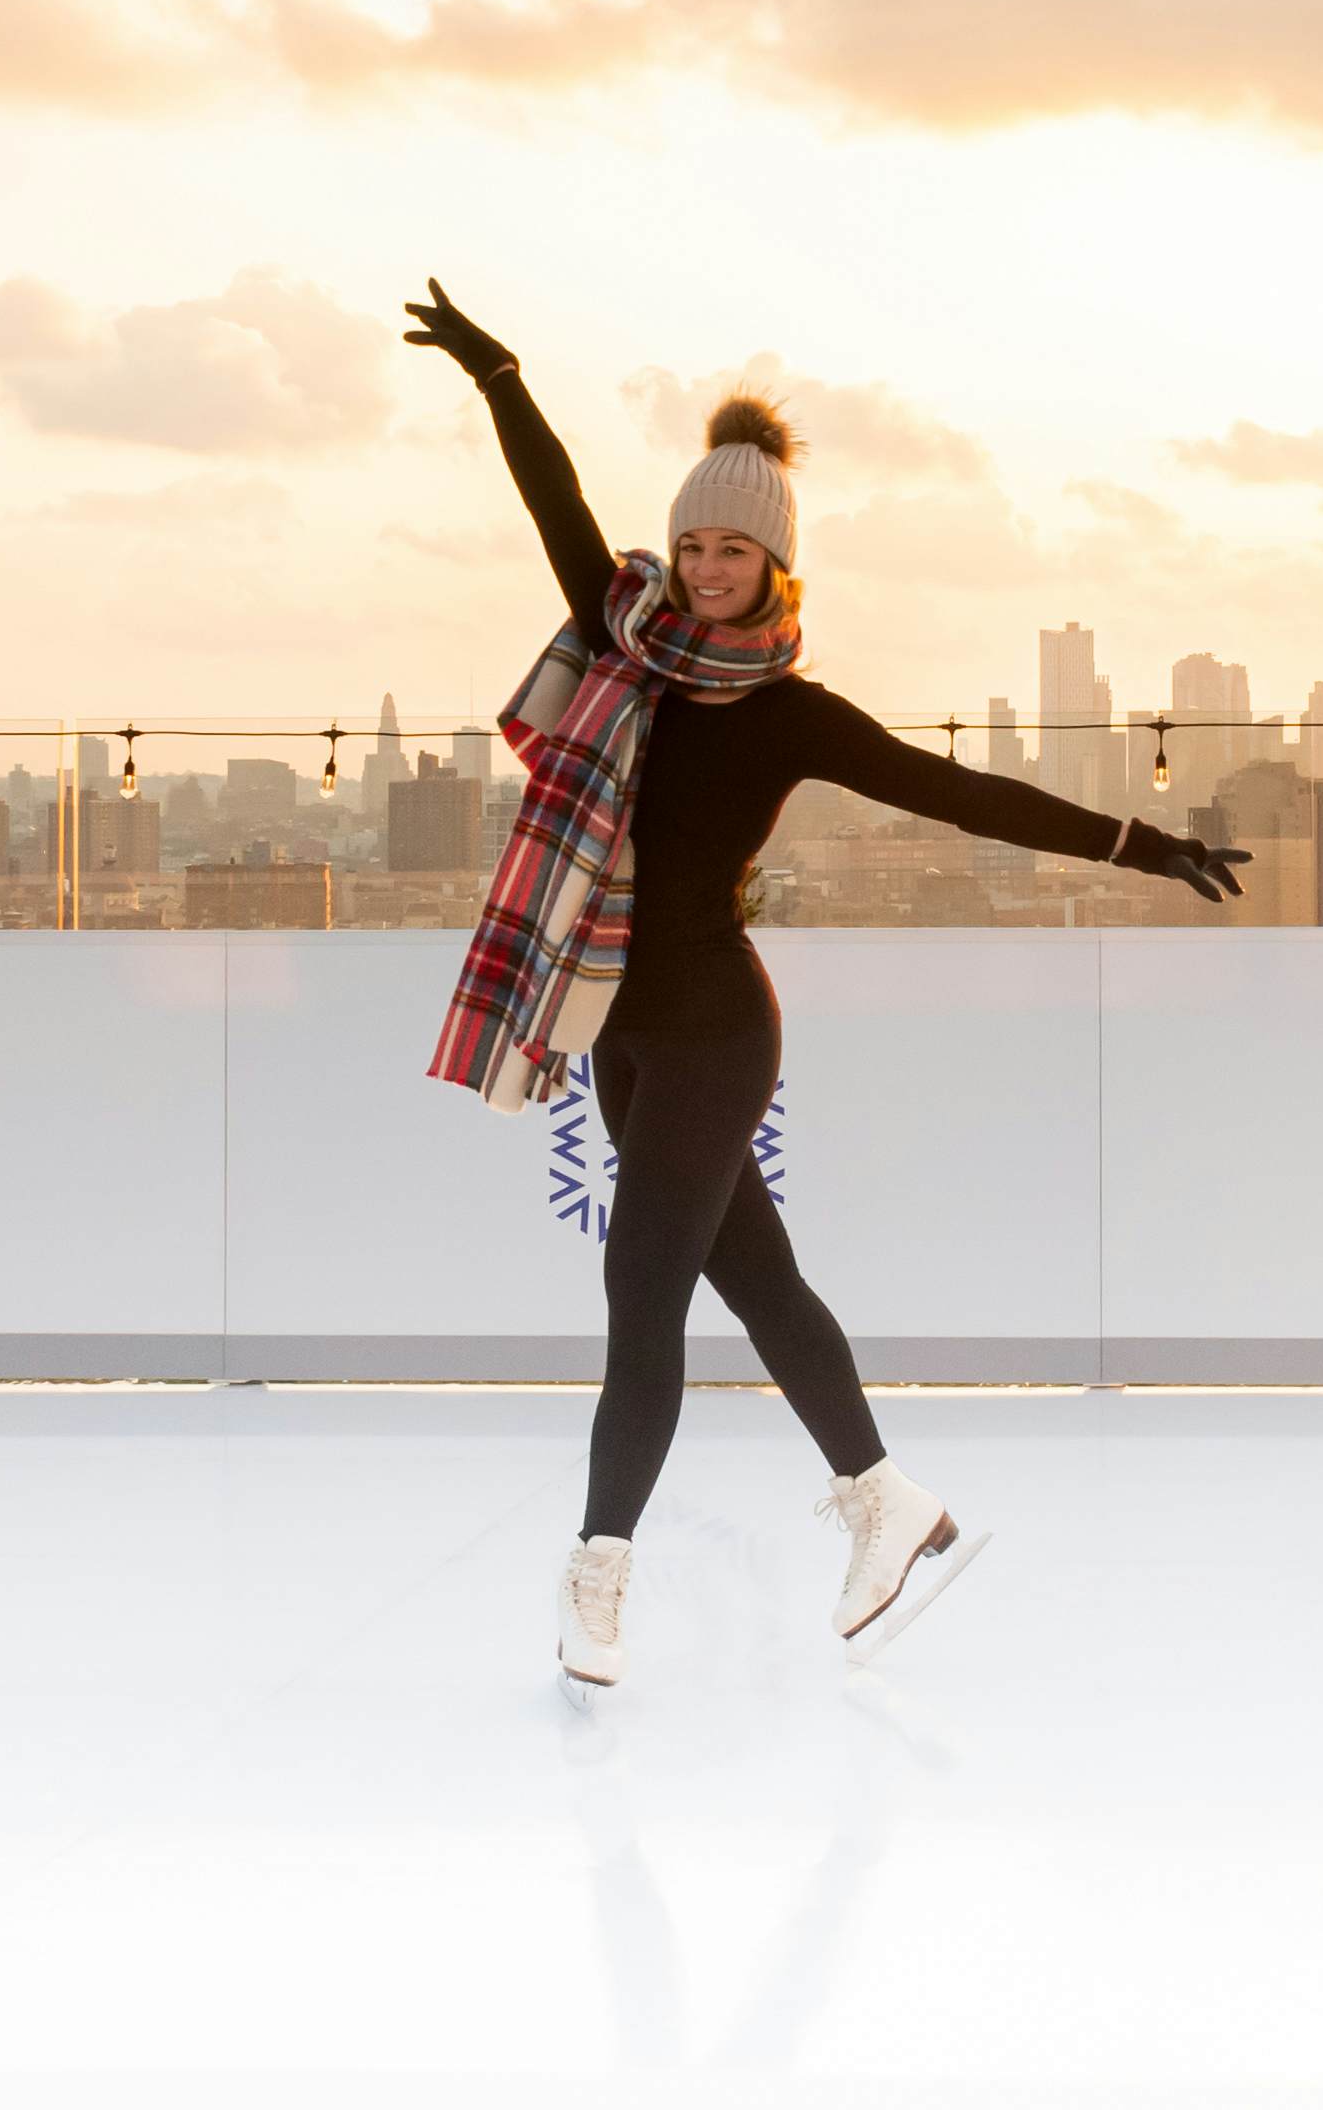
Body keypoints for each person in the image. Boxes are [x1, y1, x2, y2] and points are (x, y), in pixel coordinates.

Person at [403, 281, 1247, 1692]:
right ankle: (883, 1502)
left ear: (773, 562)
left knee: (641, 1295)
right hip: (622, 1029)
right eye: (688, 542)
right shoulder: (624, 647)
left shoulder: (791, 713)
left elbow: (957, 789)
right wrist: (499, 375)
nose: (703, 565)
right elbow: (550, 499)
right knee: (760, 1277)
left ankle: (596, 1569)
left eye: (731, 546)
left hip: (721, 1023)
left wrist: (1141, 842)